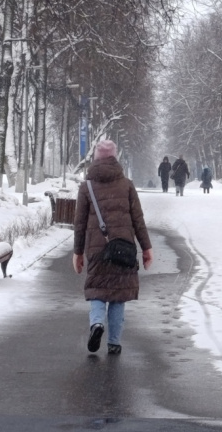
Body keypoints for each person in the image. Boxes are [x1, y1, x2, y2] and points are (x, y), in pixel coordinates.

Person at [73, 140, 153, 355]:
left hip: (97, 250)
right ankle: (114, 343)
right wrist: (146, 248)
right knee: (118, 296)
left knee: (98, 293)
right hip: (123, 248)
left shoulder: (86, 186)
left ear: (96, 159)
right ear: (115, 158)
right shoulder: (126, 185)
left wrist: (77, 253)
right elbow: (138, 219)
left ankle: (97, 323)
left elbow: (79, 223)